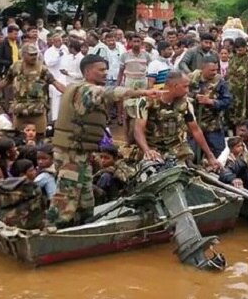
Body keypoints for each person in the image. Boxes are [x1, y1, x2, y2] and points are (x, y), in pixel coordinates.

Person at [46, 54, 162, 228]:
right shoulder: (86, 90)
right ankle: (52, 231)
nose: (105, 73)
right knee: (67, 194)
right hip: (71, 153)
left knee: (85, 196)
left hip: (81, 152)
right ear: (87, 71)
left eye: (106, 69)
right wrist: (144, 92)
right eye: (100, 70)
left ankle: (84, 224)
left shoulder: (77, 87)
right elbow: (111, 92)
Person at [134, 70, 221, 169]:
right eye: (185, 86)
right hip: (153, 148)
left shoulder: (185, 104)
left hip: (177, 149)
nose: (187, 90)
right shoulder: (147, 102)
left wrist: (210, 156)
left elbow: (195, 130)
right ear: (175, 86)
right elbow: (138, 130)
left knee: (184, 170)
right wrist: (147, 150)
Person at [0, 44, 65, 135]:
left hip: (37, 110)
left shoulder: (42, 69)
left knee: (40, 135)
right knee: (18, 135)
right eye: (31, 54)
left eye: (35, 54)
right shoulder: (16, 67)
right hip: (20, 110)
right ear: (23, 55)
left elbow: (55, 83)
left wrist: (68, 92)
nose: (34, 57)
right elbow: (5, 81)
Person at [188, 57, 232, 158]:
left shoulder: (220, 81)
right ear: (203, 68)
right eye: (211, 70)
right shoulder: (191, 78)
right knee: (192, 155)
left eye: (216, 70)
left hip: (212, 124)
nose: (214, 72)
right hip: (193, 124)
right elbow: (182, 95)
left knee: (219, 155)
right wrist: (194, 97)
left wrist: (212, 102)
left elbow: (227, 100)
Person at [226, 38, 248, 129]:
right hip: (233, 91)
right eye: (237, 49)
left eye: (241, 49)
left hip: (246, 92)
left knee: (247, 113)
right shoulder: (232, 58)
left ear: (245, 48)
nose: (239, 51)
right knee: (232, 113)